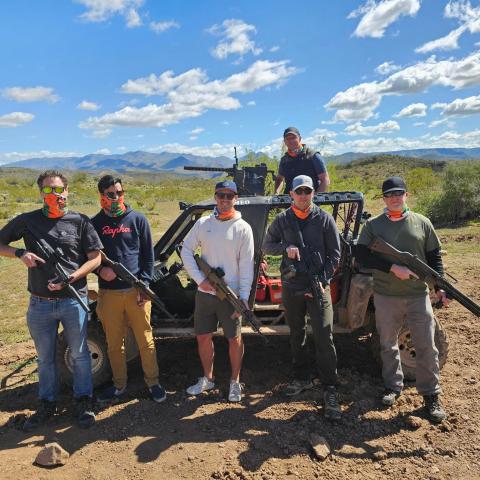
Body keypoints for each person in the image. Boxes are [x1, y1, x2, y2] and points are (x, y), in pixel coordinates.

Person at [0, 170, 103, 430]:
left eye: (58, 190)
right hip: (40, 303)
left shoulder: (80, 221)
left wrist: (72, 276)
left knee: (80, 354)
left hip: (73, 299)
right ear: (41, 193)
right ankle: (47, 403)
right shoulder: (27, 220)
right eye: (48, 190)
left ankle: (83, 402)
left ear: (66, 191)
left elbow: (96, 258)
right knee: (45, 358)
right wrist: (20, 253)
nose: (54, 195)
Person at [355, 176, 447, 423]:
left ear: (406, 195)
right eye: (389, 194)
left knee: (426, 345)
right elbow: (362, 255)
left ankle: (431, 395)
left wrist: (440, 286)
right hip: (386, 296)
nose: (395, 198)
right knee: (387, 344)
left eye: (399, 193)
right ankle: (393, 387)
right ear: (384, 198)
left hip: (418, 296)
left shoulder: (422, 223)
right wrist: (392, 268)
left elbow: (434, 257)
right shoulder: (374, 225)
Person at [264, 174, 342, 420]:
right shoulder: (282, 220)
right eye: (299, 191)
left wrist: (321, 281)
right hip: (291, 285)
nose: (303, 195)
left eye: (307, 191)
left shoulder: (324, 219)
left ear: (313, 194)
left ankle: (330, 387)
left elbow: (335, 256)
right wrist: (285, 249)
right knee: (296, 333)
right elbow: (267, 246)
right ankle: (302, 378)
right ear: (291, 195)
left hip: (318, 286)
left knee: (323, 335)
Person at [91, 175, 166, 403]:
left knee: (146, 340)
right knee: (114, 344)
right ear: (102, 196)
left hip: (137, 292)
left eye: (120, 193)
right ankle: (118, 385)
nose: (116, 198)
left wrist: (144, 285)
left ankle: (153, 383)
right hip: (109, 294)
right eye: (111, 194)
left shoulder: (138, 220)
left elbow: (148, 257)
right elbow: (89, 257)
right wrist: (99, 271)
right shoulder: (94, 224)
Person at [181, 180, 254, 402]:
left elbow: (246, 266)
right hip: (205, 295)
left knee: (234, 338)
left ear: (236, 199)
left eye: (229, 196)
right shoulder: (203, 223)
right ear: (215, 197)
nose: (224, 199)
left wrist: (243, 298)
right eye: (221, 195)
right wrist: (200, 280)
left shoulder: (243, 228)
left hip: (229, 295)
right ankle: (208, 378)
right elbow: (185, 250)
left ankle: (234, 381)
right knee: (203, 337)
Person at [274, 127, 330, 194]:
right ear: (285, 142)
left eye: (293, 137)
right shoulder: (284, 160)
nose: (291, 141)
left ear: (300, 138)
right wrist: (276, 194)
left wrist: (315, 199)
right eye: (288, 138)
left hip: (308, 198)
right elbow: (279, 179)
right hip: (289, 200)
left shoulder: (313, 156)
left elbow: (325, 180)